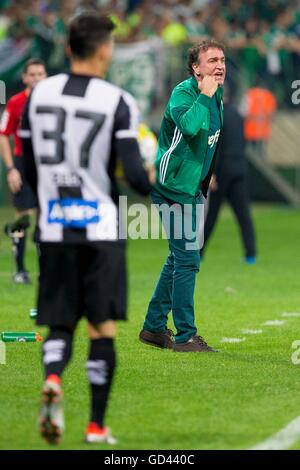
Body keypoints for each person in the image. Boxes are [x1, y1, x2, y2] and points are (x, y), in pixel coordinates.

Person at [20, 13, 152, 445]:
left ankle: (54, 376)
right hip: (99, 225)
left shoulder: (38, 96)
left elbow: (31, 163)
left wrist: (45, 205)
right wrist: (148, 173)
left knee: (59, 321)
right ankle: (96, 426)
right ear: (102, 50)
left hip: (55, 226)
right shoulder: (117, 101)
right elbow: (134, 175)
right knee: (101, 327)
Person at [140, 40, 225, 353]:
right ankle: (185, 336)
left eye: (222, 59)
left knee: (178, 257)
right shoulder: (184, 93)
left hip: (191, 187)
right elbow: (189, 128)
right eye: (212, 60)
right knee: (188, 258)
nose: (219, 65)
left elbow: (209, 140)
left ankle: (152, 327)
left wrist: (206, 174)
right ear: (196, 68)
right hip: (171, 187)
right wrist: (205, 95)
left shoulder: (216, 93)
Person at [0, 58, 47, 284]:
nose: (37, 78)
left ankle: (46, 269)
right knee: (22, 217)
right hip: (22, 163)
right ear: (25, 77)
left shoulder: (52, 101)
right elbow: (3, 134)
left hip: (47, 164)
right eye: (33, 74)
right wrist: (11, 169)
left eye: (40, 74)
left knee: (45, 217)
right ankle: (19, 269)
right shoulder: (16, 102)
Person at [202, 88, 257, 263]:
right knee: (244, 215)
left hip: (222, 172)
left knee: (211, 214)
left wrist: (212, 173)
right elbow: (243, 141)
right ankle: (251, 255)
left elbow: (216, 147)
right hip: (239, 168)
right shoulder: (238, 115)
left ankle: (199, 253)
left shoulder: (216, 114)